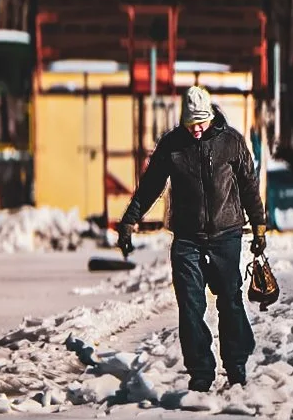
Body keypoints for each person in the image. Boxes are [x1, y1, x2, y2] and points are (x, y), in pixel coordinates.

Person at [115, 85, 268, 391]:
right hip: (186, 237)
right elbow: (150, 186)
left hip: (226, 234)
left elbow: (249, 186)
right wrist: (129, 221)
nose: (196, 130)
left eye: (200, 123)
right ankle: (200, 372)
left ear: (210, 117)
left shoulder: (232, 142)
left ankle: (236, 365)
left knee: (230, 301)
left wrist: (259, 226)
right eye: (190, 124)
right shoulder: (172, 145)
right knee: (190, 304)